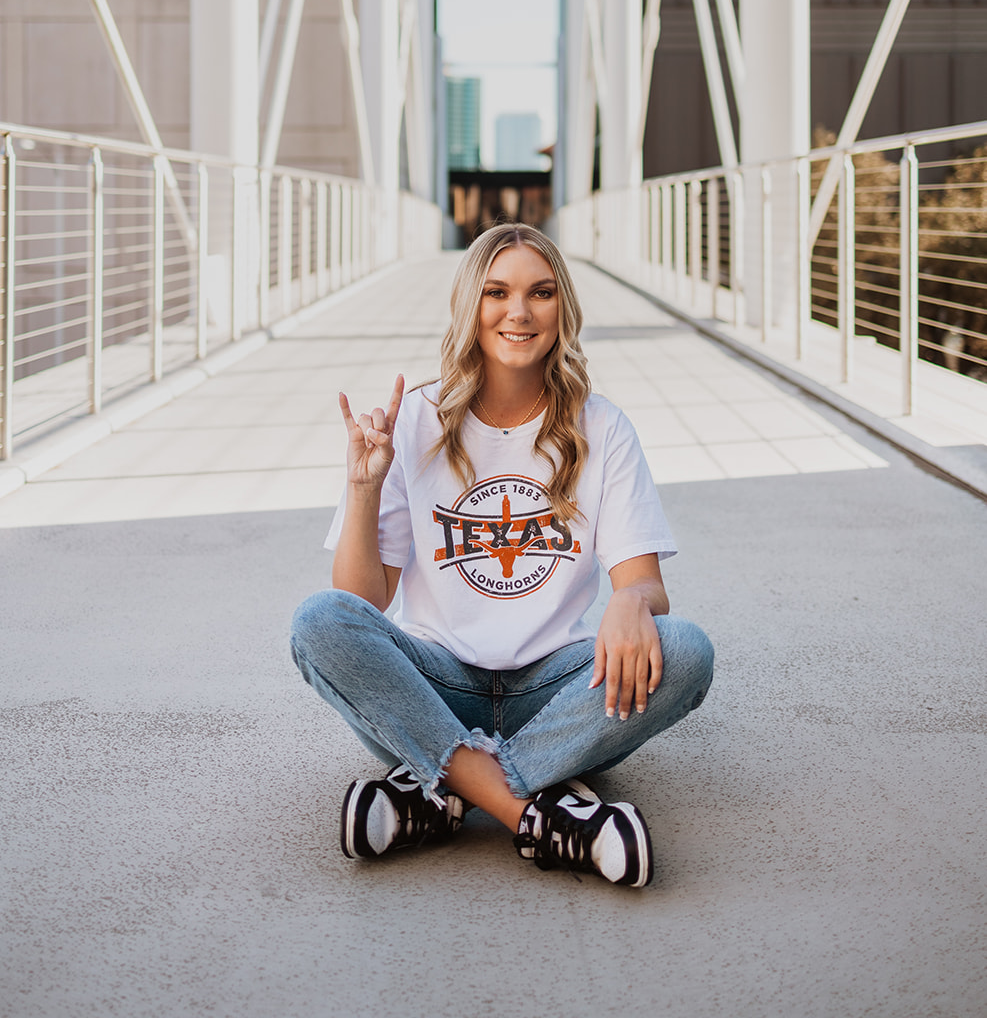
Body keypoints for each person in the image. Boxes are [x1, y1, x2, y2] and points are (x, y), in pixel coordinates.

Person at [290, 222, 714, 887]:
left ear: (561, 309)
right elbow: (361, 602)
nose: (518, 312)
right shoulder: (415, 421)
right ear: (470, 306)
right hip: (434, 686)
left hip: (549, 688)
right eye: (496, 292)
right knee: (319, 622)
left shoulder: (600, 427)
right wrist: (363, 487)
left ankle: (436, 792)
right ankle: (538, 813)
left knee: (685, 649)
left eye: (539, 293)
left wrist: (631, 600)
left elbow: (644, 587)